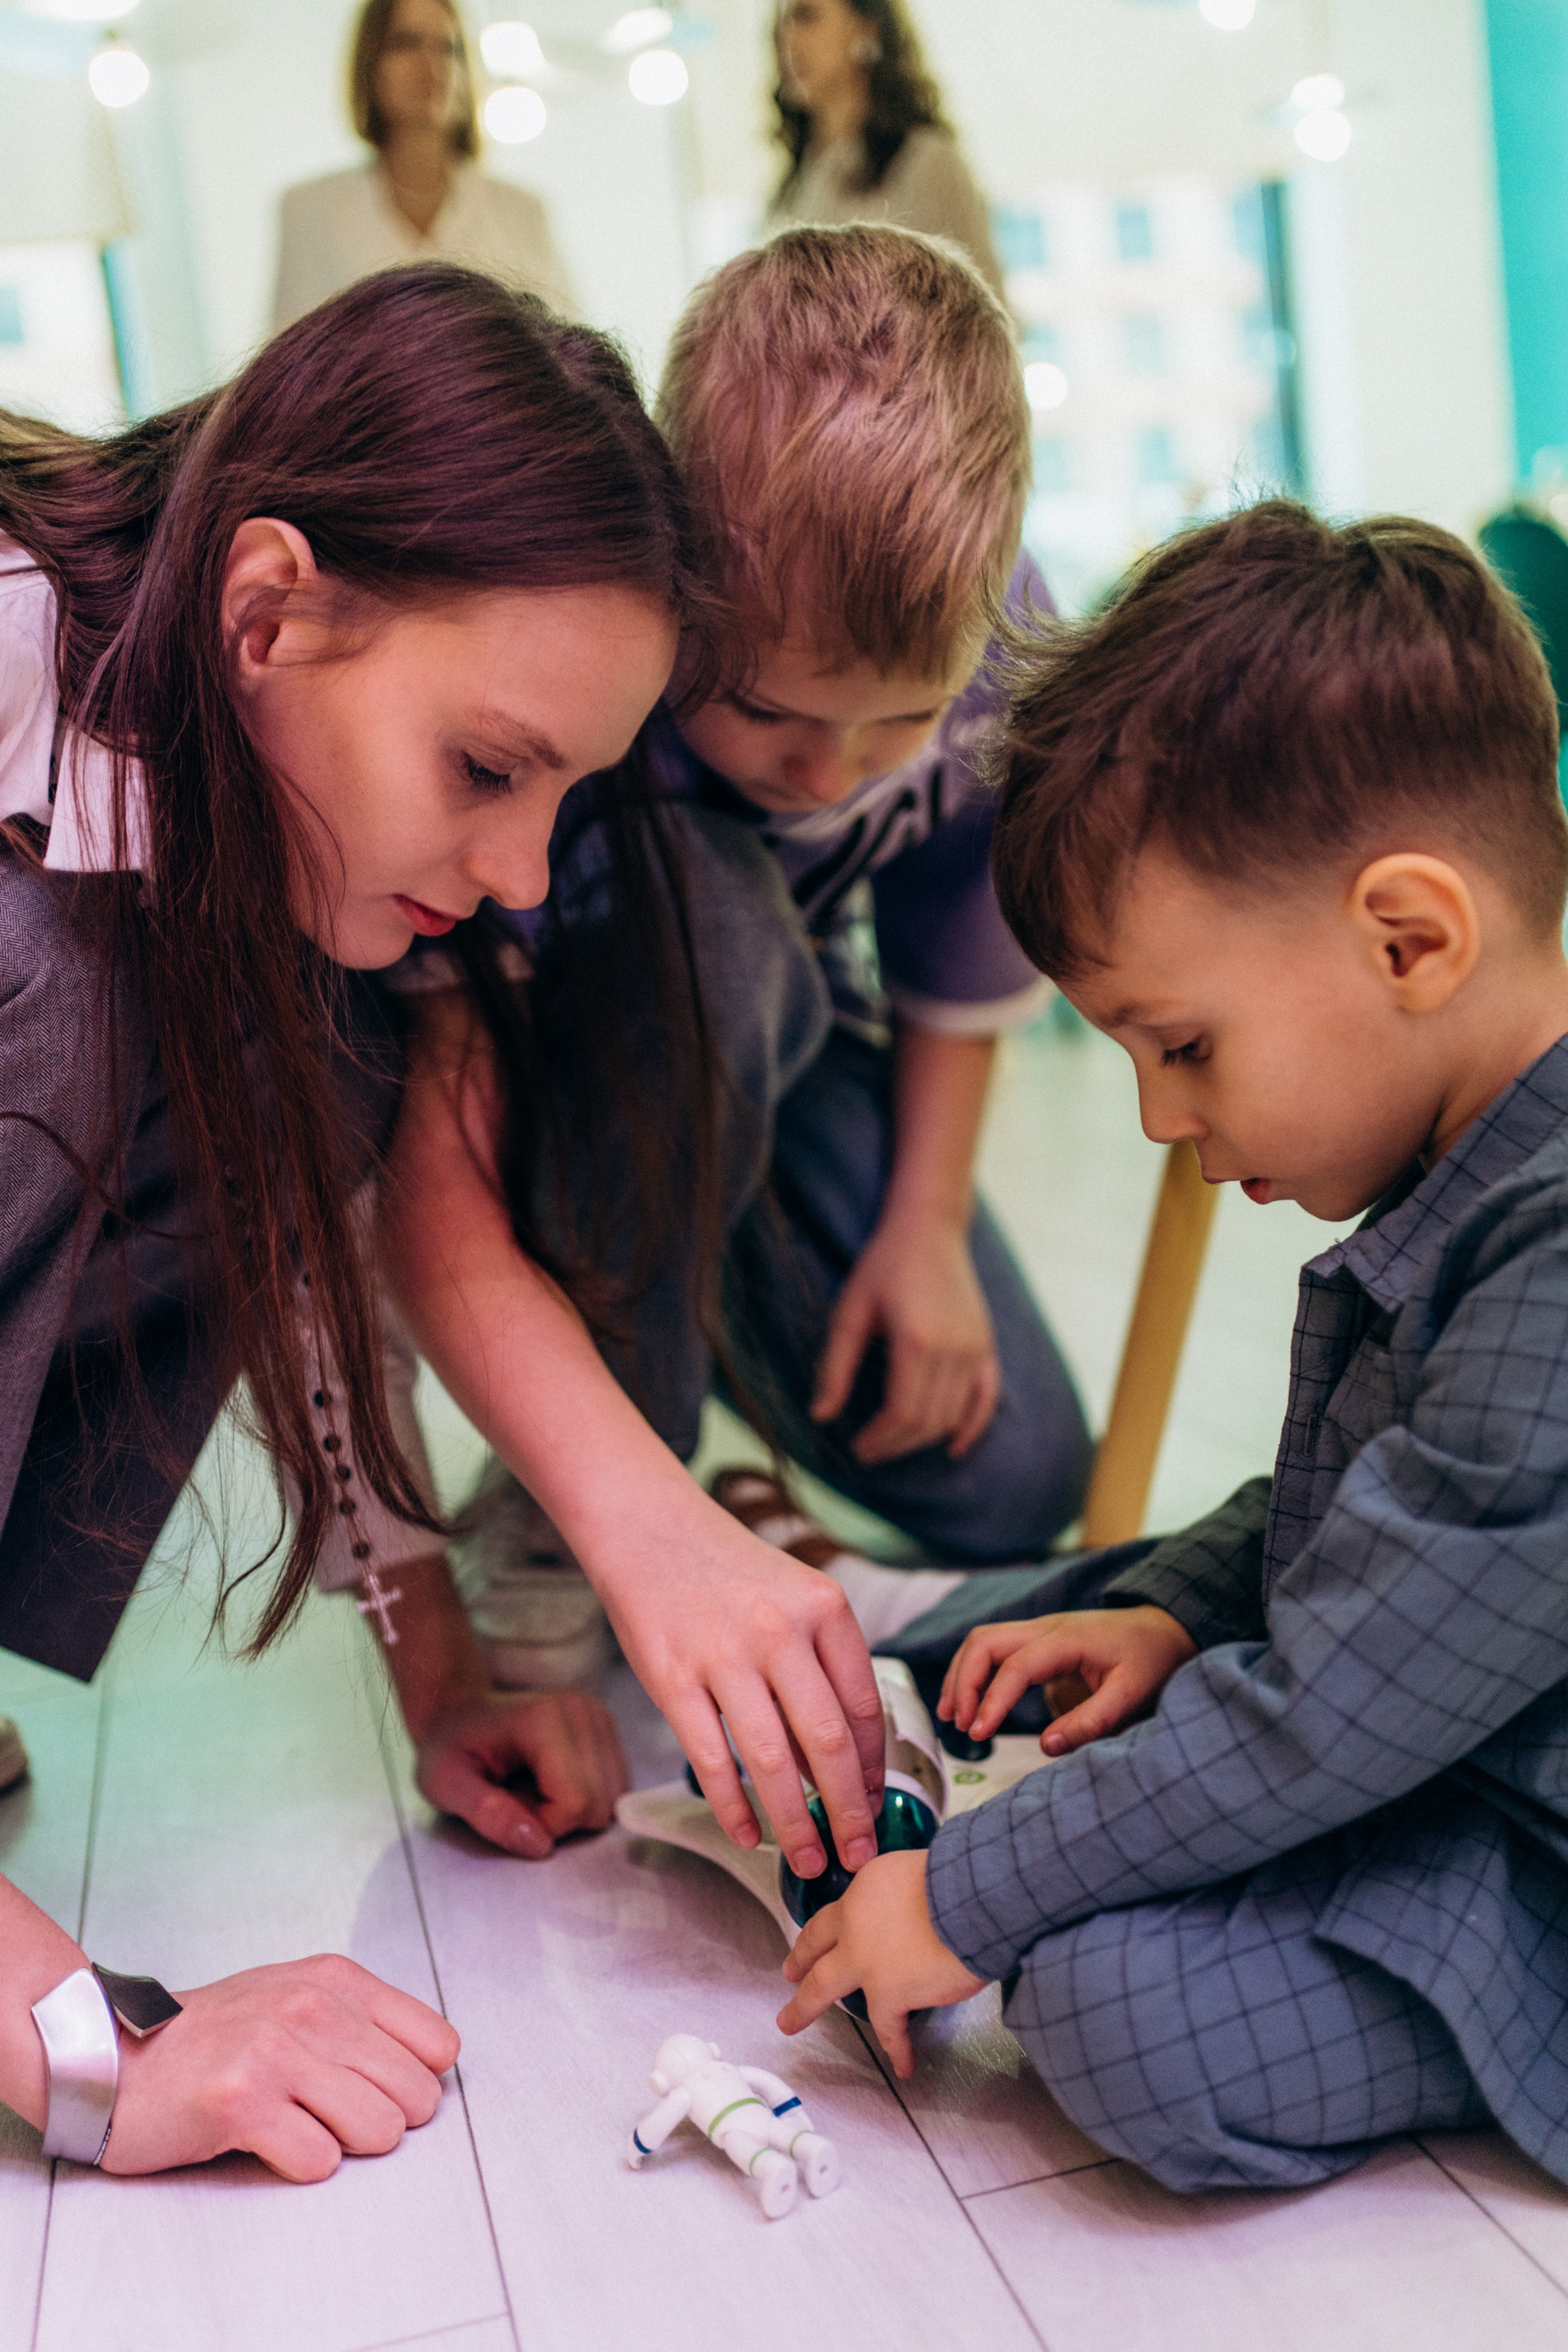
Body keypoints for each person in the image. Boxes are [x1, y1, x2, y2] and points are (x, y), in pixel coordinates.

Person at [0, 261, 824, 2179]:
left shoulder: (243, 783)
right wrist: (95, 2047)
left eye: (567, 794)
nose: (524, 869)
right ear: (271, 605)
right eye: (484, 767)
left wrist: (445, 1666)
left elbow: (341, 1202)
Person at [775, 499, 1568, 2198]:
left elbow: (1330, 1708)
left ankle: (930, 1632)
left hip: (1523, 1870)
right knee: (1127, 1668)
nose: (1158, 1117)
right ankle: (955, 1616)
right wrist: (1177, 1603)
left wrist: (960, 1895)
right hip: (1438, 1745)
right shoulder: (1483, 1154)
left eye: (1181, 1043)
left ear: (1408, 939)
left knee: (1109, 1999)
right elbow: (1369, 1497)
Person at [417, 226, 1091, 1696]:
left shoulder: (991, 646)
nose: (833, 770)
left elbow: (949, 973)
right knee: (714, 933)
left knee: (1016, 1475)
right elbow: (438, 1107)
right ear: (681, 579)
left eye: (895, 723)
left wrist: (920, 1236)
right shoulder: (596, 643)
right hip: (560, 1104)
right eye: (776, 710)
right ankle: (607, 1459)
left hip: (782, 1078)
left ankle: (713, 1420)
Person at [271, 0, 571, 337]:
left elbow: (566, 351)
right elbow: (285, 363)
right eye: (406, 43)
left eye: (449, 48)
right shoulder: (310, 210)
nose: (431, 65)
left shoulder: (522, 211)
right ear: (370, 62)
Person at [768, 0, 1004, 298]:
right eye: (780, 24)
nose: (786, 40)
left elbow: (987, 320)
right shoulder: (797, 180)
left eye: (806, 17)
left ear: (866, 28)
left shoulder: (927, 161)